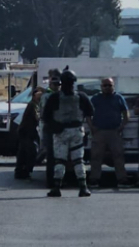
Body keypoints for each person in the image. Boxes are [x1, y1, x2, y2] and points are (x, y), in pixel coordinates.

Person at [42, 69, 93, 198]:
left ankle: (56, 187)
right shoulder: (81, 96)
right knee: (78, 160)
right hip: (77, 131)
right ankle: (83, 187)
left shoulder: (54, 97)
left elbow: (45, 117)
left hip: (61, 132)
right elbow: (90, 111)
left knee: (59, 160)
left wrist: (54, 125)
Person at [88, 75, 129, 187]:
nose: (107, 87)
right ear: (101, 87)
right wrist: (92, 127)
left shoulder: (119, 98)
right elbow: (88, 114)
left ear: (113, 86)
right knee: (96, 156)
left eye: (109, 85)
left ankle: (122, 179)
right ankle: (94, 179)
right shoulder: (95, 98)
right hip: (99, 132)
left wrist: (122, 126)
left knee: (118, 155)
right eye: (105, 85)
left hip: (114, 132)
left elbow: (126, 113)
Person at [15, 87, 44, 180]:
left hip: (28, 132)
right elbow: (37, 117)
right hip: (26, 132)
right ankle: (23, 171)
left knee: (24, 153)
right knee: (29, 152)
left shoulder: (35, 105)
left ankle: (22, 171)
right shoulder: (32, 105)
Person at [42, 70, 62, 187]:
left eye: (58, 84)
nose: (56, 86)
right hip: (50, 128)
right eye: (54, 84)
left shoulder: (62, 95)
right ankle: (51, 181)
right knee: (51, 155)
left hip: (59, 129)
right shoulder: (46, 96)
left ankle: (59, 179)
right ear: (50, 85)